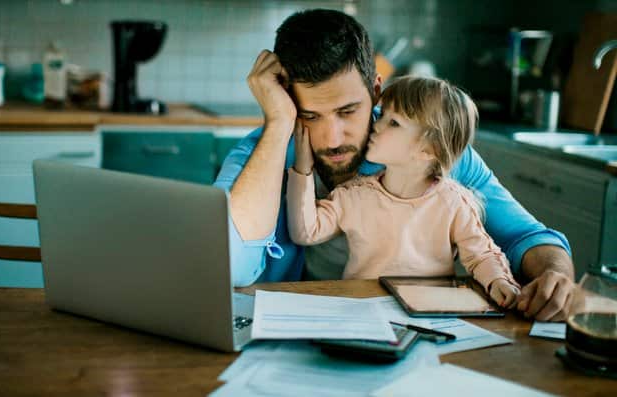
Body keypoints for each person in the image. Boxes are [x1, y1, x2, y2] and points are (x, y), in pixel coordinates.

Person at [214, 9, 575, 321]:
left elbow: (525, 236)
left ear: (375, 91)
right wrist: (278, 125)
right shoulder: (261, 153)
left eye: (347, 111)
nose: (332, 138)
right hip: (294, 331)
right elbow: (224, 267)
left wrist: (555, 274)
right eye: (309, 115)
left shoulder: (428, 151)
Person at [287, 76, 521, 307]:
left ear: (429, 150)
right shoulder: (353, 195)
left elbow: (482, 255)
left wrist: (499, 281)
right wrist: (303, 168)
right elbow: (306, 232)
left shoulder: (454, 202)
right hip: (363, 309)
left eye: (393, 122)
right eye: (384, 114)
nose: (376, 124)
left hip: (430, 315)